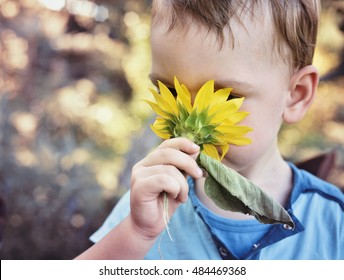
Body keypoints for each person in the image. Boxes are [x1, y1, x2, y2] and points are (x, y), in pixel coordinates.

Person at [76, 0, 344, 260]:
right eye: (171, 90)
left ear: (296, 95)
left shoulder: (334, 223)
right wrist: (136, 234)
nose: (188, 121)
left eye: (225, 96)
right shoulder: (147, 208)